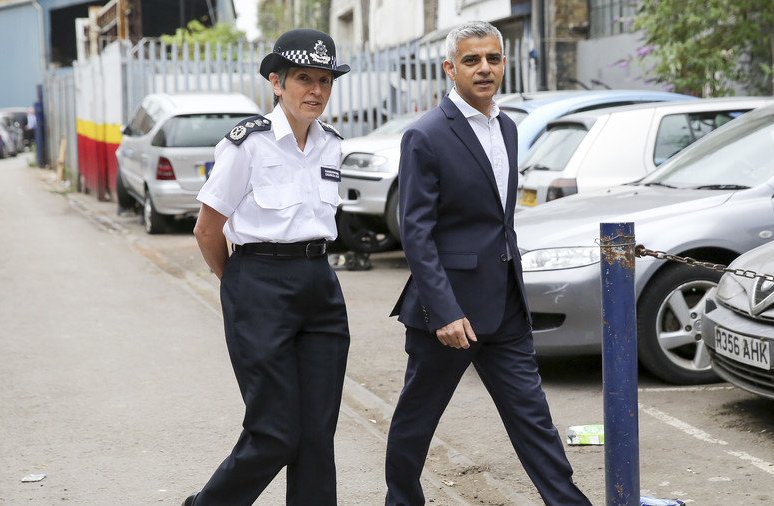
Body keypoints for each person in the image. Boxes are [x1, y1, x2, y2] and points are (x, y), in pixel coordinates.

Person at [385, 21, 593, 506]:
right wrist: (444, 310)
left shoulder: (507, 127)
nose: (484, 69)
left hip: (505, 305)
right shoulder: (425, 135)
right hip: (449, 313)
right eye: (472, 60)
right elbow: (416, 232)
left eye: (492, 59)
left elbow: (498, 222)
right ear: (449, 68)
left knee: (532, 419)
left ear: (504, 63)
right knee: (417, 420)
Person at [184, 28, 351, 506]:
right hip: (259, 284)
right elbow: (207, 229)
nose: (316, 90)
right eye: (304, 78)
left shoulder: (332, 144)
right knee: (276, 431)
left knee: (317, 434)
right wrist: (238, 283)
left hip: (320, 286)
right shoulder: (247, 144)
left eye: (325, 79)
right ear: (276, 82)